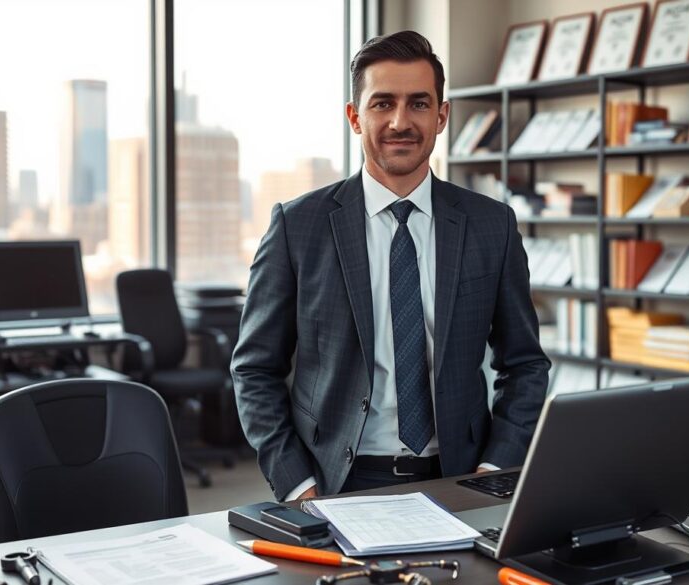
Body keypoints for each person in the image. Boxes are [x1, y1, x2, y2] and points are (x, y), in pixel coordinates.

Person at [232, 30, 549, 501]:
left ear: (442, 116)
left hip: (462, 478)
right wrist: (297, 484)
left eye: (419, 104)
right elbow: (255, 369)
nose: (401, 121)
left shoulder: (492, 225)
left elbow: (524, 364)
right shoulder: (297, 226)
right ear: (355, 117)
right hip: (336, 483)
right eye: (383, 104)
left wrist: (494, 468)